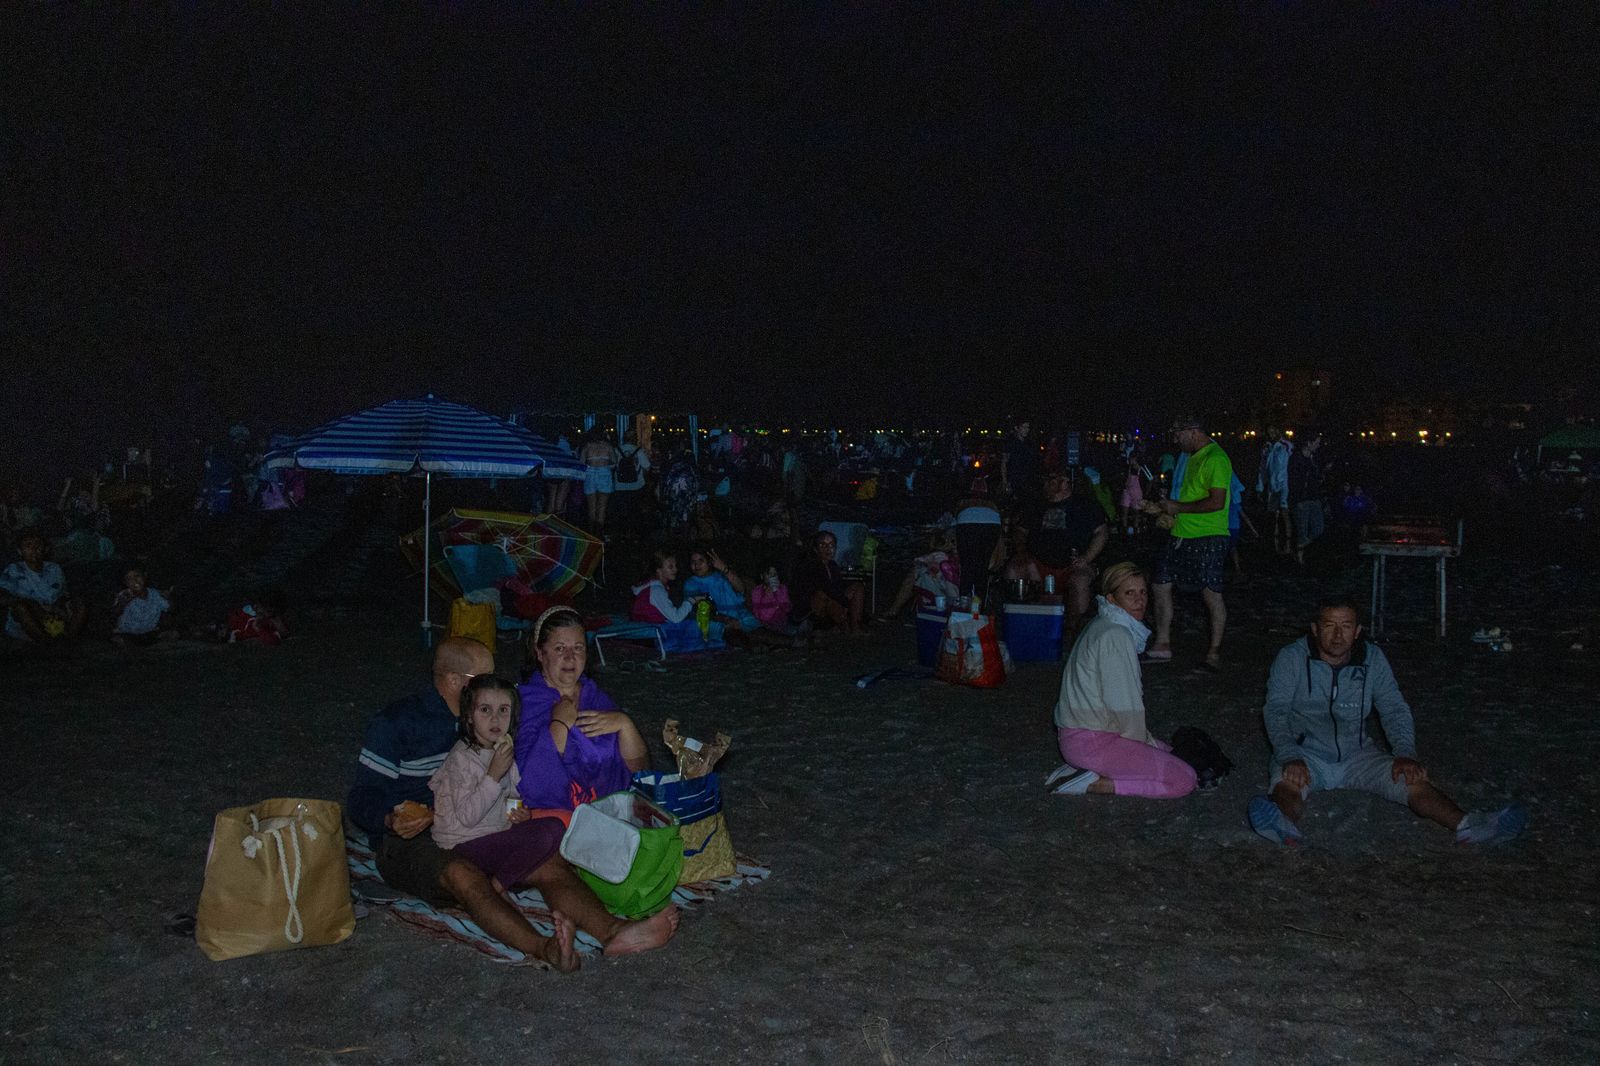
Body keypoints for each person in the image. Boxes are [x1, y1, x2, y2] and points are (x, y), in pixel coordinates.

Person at [350, 636, 680, 966]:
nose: (497, 686)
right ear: (453, 681)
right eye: (484, 678)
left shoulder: (490, 719)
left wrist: (515, 811)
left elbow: (517, 780)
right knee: (463, 875)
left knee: (548, 858)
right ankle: (544, 948)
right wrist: (391, 820)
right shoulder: (397, 724)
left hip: (481, 826)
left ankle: (613, 931)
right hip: (410, 840)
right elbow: (361, 798)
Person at [1248, 599, 1527, 847]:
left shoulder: (1372, 658)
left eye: (1346, 626)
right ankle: (1281, 823)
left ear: (1357, 631)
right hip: (1306, 752)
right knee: (1288, 783)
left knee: (1411, 778)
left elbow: (1393, 708)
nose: (1337, 635)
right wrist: (1289, 755)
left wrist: (1405, 752)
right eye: (1329, 625)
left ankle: (1470, 826)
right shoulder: (1292, 658)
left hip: (1358, 753)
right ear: (1315, 628)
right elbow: (1275, 710)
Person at [1045, 562, 1197, 798]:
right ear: (1112, 599)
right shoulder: (1116, 635)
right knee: (1184, 779)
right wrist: (1141, 747)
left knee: (1175, 755)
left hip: (1080, 735)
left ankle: (1084, 769)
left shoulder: (1104, 623)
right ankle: (1095, 783)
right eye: (1130, 593)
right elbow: (1124, 706)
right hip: (1093, 741)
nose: (1140, 600)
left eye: (1143, 592)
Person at [429, 675, 571, 903]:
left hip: (495, 833)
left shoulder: (502, 750)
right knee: (546, 835)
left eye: (503, 710)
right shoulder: (462, 759)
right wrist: (493, 775)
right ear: (468, 716)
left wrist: (519, 814)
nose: (495, 718)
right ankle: (496, 889)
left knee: (556, 827)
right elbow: (468, 816)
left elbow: (511, 797)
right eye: (485, 710)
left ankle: (500, 881)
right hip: (462, 843)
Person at [515, 607, 650, 814]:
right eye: (559, 649)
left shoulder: (595, 697)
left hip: (610, 812)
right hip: (555, 818)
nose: (570, 658)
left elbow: (641, 773)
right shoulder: (527, 703)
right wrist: (559, 725)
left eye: (578, 648)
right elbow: (529, 783)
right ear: (540, 653)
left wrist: (625, 724)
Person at [1147, 414, 1232, 672]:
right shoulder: (1192, 457)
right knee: (1160, 583)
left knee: (1211, 594)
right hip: (1182, 533)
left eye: (1177, 433)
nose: (1175, 439)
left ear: (1193, 431)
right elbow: (1194, 496)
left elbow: (1217, 501)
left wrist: (1177, 507)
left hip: (1209, 536)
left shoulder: (1215, 458)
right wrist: (1168, 513)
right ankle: (1162, 643)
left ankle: (1214, 653)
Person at [1025, 471, 1108, 632]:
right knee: (1016, 569)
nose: (1046, 484)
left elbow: (1102, 532)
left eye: (1050, 479)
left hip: (1073, 564)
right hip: (1039, 563)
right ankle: (1028, 623)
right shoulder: (1036, 505)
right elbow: (1021, 531)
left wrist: (1087, 557)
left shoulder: (1085, 505)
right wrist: (1023, 553)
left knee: (1080, 580)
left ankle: (1073, 628)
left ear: (1064, 482)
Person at [631, 549, 725, 651]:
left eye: (675, 566)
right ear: (659, 570)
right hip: (650, 635)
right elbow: (676, 618)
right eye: (670, 567)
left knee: (697, 627)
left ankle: (708, 642)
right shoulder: (656, 591)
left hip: (650, 631)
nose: (675, 570)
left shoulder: (655, 587)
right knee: (694, 626)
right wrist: (691, 600)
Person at [1, 531, 86, 643]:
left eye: (38, 545)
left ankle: (68, 639)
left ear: (45, 549)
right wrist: (32, 605)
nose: (34, 549)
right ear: (20, 551)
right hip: (28, 620)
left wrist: (56, 607)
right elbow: (3, 595)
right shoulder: (14, 569)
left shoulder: (54, 568)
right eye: (28, 546)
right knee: (20, 608)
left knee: (81, 603)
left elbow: (62, 594)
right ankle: (46, 643)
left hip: (55, 614)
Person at [788, 529, 866, 635]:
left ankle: (855, 628)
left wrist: (844, 603)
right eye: (822, 545)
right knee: (825, 597)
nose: (828, 549)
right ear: (815, 549)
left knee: (858, 586)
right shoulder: (810, 565)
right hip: (812, 608)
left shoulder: (832, 565)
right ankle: (843, 628)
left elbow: (838, 586)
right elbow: (821, 590)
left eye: (831, 545)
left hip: (833, 602)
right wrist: (843, 603)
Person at [878, 531, 962, 620]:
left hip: (953, 584)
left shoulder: (951, 553)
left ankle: (895, 609)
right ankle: (895, 609)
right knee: (917, 572)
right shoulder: (940, 555)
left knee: (916, 574)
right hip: (943, 580)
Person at [949, 482, 1003, 603]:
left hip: (966, 522)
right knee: (982, 566)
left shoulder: (964, 505)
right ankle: (979, 606)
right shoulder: (992, 506)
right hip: (991, 523)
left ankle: (964, 602)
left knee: (967, 565)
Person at [1288, 432, 1326, 565]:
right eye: (1316, 442)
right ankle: (1299, 557)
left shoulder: (1313, 458)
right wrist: (1297, 500)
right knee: (1302, 530)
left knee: (1318, 528)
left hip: (1314, 497)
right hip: (1301, 500)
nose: (1318, 445)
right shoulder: (1296, 459)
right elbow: (1293, 481)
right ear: (1309, 443)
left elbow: (1314, 478)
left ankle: (1300, 548)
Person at [111, 566, 173, 645]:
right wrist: (122, 604)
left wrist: (168, 598)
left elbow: (169, 609)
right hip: (126, 634)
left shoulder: (155, 594)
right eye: (129, 579)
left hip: (150, 632)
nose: (135, 581)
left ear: (144, 576)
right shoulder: (124, 595)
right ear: (126, 583)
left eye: (137, 576)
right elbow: (113, 613)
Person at [1256, 427, 1293, 555]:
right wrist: (1260, 487)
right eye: (1269, 432)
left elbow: (1291, 465)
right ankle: (1276, 546)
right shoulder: (1266, 448)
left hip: (1285, 485)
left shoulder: (1286, 446)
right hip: (1272, 486)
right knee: (1274, 514)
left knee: (1285, 512)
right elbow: (1262, 468)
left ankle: (1288, 544)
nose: (1271, 434)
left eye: (1273, 431)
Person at [580, 431, 619, 533]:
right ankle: (599, 533)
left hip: (590, 474)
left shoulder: (587, 446)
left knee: (591, 507)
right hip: (604, 473)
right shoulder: (608, 446)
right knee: (602, 506)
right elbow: (615, 462)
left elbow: (581, 463)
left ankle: (591, 533)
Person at [1001, 419, 1039, 502]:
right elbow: (1004, 462)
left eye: (1028, 427)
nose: (1027, 430)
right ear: (1017, 428)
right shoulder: (1010, 443)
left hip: (1027, 480)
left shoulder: (1029, 443)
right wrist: (1005, 481)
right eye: (1024, 427)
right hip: (1014, 479)